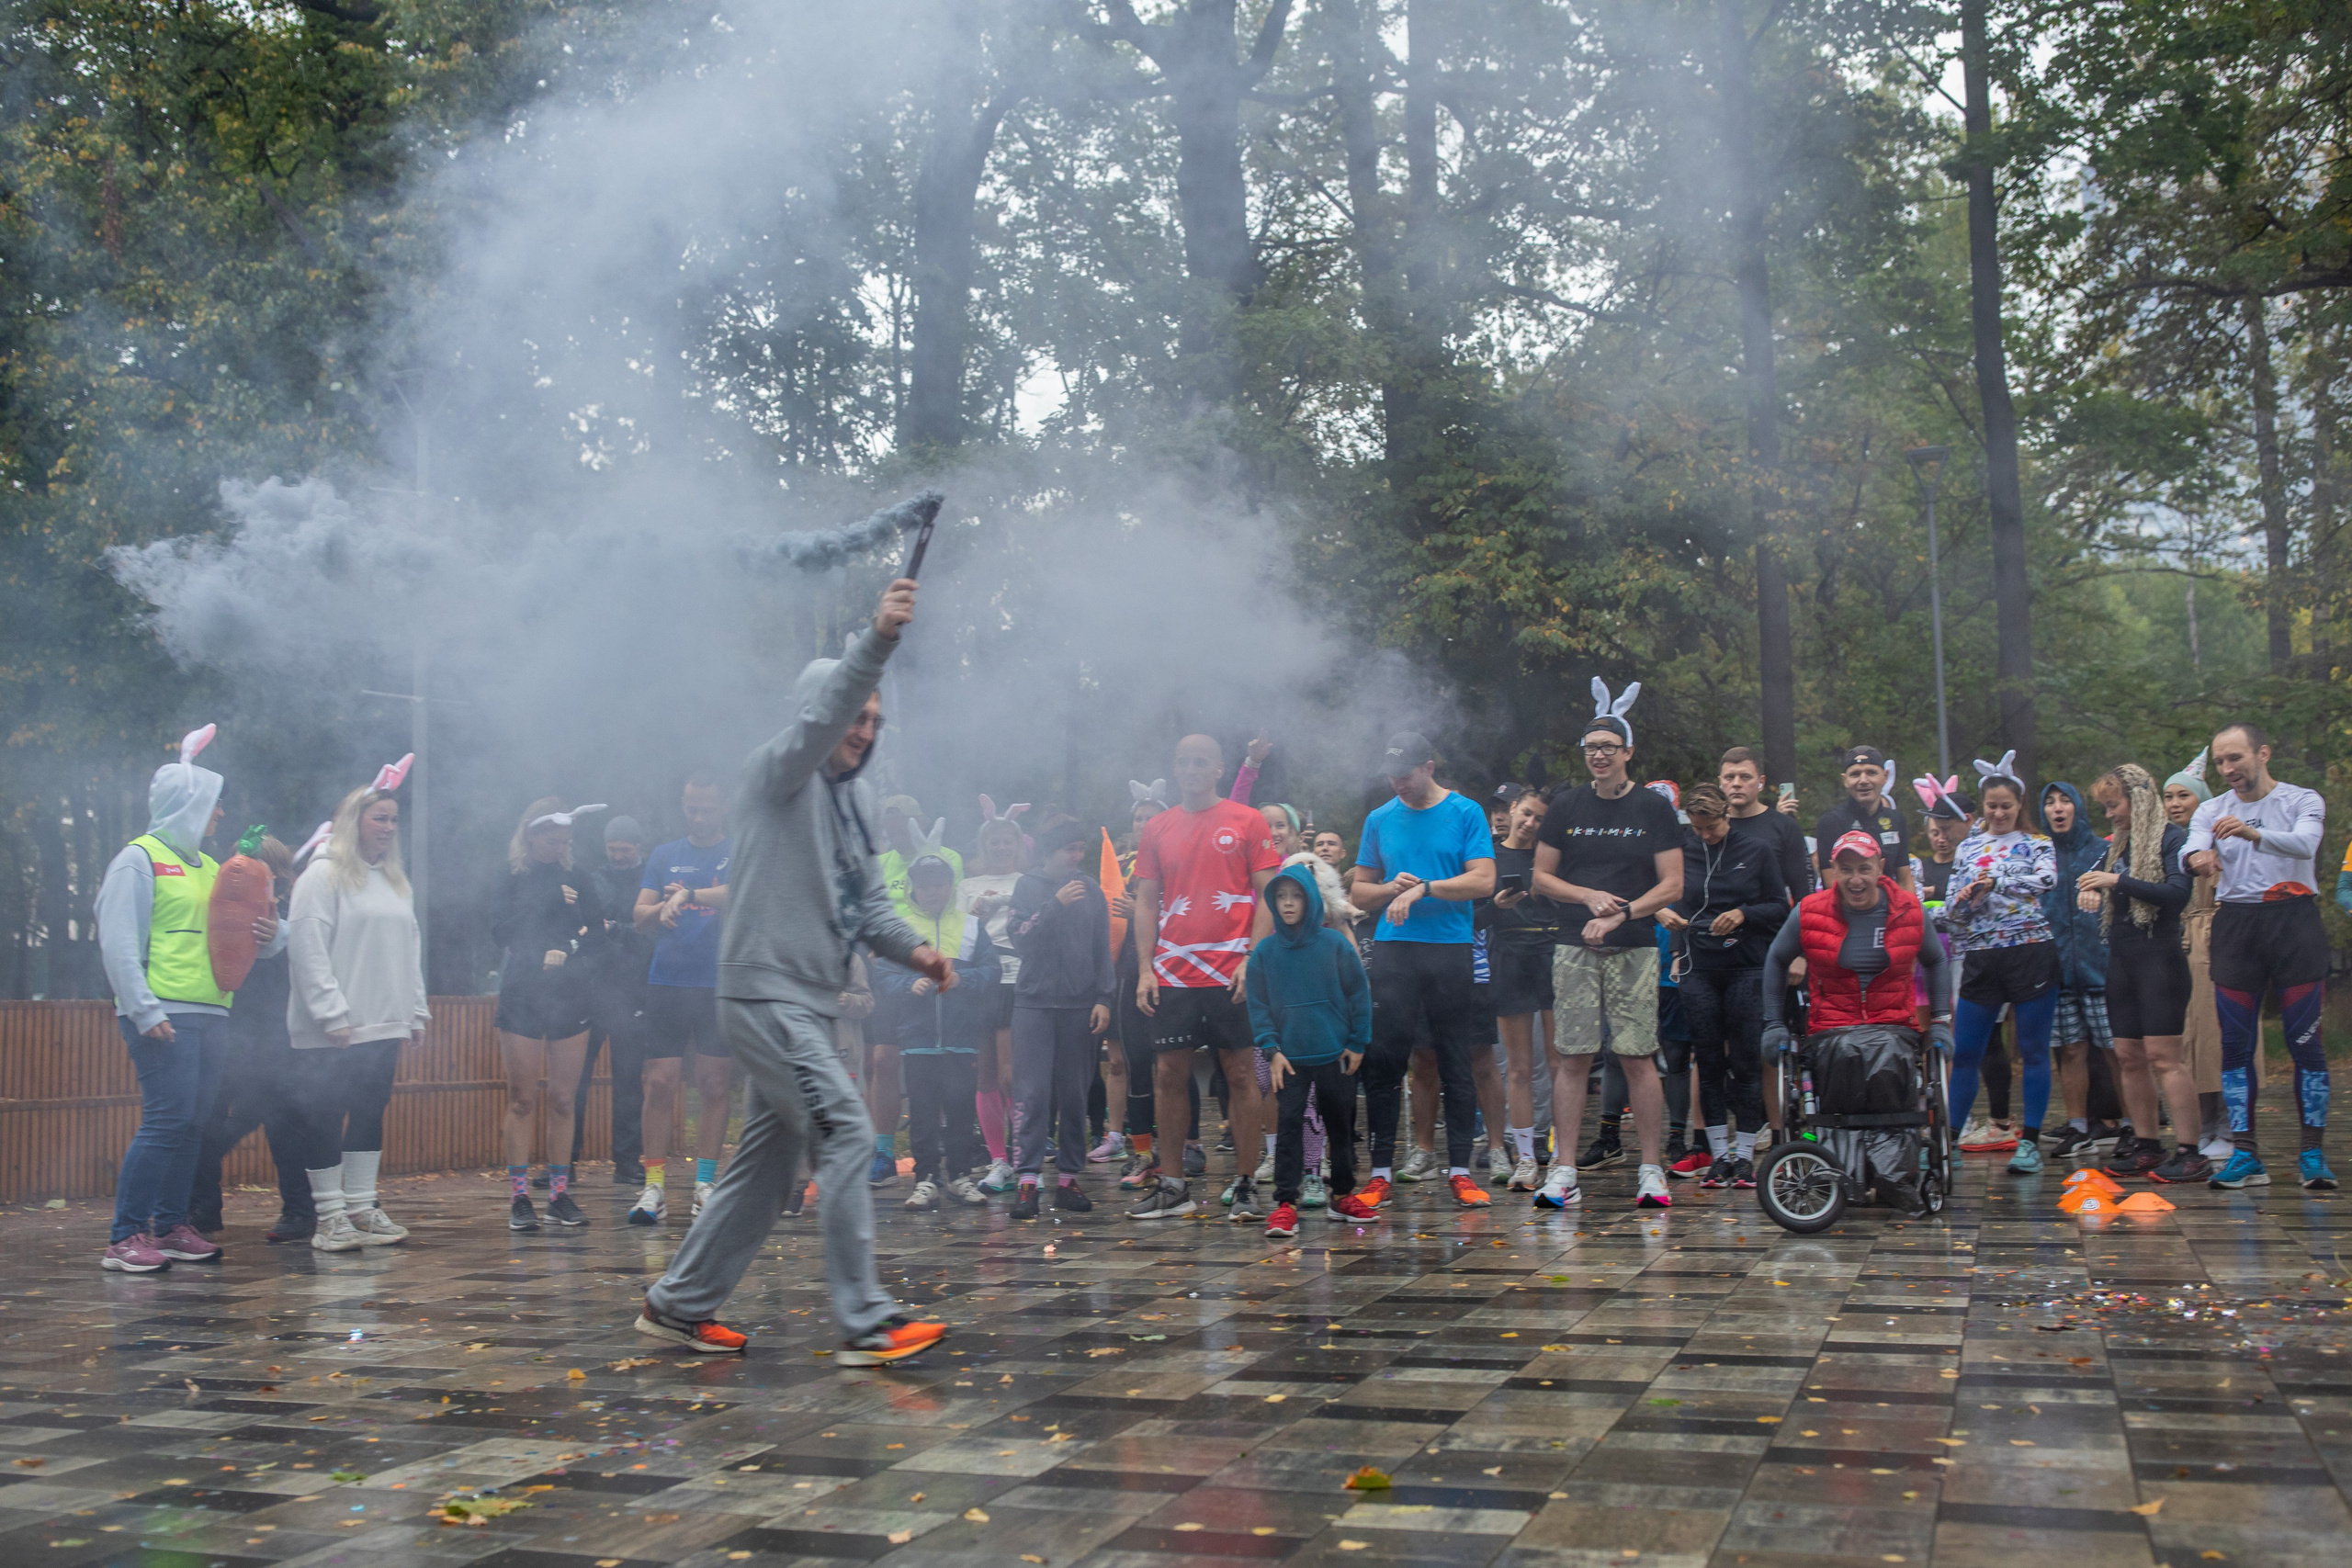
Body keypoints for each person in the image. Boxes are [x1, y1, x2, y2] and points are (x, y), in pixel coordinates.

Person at [633, 575, 949, 1364]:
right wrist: (876, 639)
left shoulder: (860, 802)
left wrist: (914, 949)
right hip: (762, 990)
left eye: (876, 720)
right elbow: (815, 723)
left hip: (807, 1003)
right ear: (825, 710)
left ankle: (678, 1304)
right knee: (846, 1131)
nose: (863, 727)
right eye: (854, 712)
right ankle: (865, 1321)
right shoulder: (776, 772)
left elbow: (870, 905)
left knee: (769, 1169)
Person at [94, 726, 285, 1272]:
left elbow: (251, 935)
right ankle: (124, 1235)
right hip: (163, 1015)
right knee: (166, 1120)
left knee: (193, 1123)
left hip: (211, 1012)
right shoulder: (138, 859)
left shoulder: (214, 869)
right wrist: (143, 1007)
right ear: (185, 804)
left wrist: (276, 937)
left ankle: (173, 1224)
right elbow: (118, 942)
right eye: (210, 803)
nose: (220, 814)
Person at [1530, 682, 1683, 1211]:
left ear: (1627, 753)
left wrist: (1621, 913)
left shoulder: (1654, 808)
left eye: (1608, 748)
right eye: (1591, 748)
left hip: (1636, 946)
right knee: (1572, 1057)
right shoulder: (1566, 805)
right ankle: (1564, 1171)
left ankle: (1650, 1169)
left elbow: (1672, 885)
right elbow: (1542, 878)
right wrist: (1588, 896)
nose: (1598, 756)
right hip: (1573, 944)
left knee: (1638, 1056)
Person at [1126, 736, 1281, 1221]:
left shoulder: (1247, 820)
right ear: (1174, 768)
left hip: (1232, 968)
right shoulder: (1157, 826)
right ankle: (1173, 1187)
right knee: (1169, 1074)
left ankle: (1246, 1185)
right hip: (1173, 971)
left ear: (1218, 769)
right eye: (1183, 762)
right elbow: (1147, 902)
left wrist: (1251, 958)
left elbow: (1270, 893)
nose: (1190, 769)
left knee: (1239, 1074)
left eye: (1200, 762)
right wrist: (1145, 968)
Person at [1349, 734, 1500, 1212]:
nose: (1398, 783)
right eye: (1392, 776)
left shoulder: (1466, 812)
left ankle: (1459, 1170)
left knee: (1456, 1058)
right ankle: (1379, 1173)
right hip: (1395, 953)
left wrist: (1426, 889)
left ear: (1429, 767)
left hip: (1449, 950)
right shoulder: (1380, 818)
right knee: (1386, 1062)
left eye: (1406, 774)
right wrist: (1392, 886)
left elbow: (1484, 880)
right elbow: (1357, 893)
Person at [1761, 831, 1953, 1209]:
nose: (1855, 879)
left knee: (1885, 1057)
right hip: (1833, 1026)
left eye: (1864, 869)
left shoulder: (1909, 909)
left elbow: (1936, 960)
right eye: (1845, 870)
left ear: (1881, 868)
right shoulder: (1810, 910)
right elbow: (1776, 959)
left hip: (1893, 1024)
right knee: (1846, 1054)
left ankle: (1892, 1174)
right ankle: (1846, 1172)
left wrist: (1942, 1019)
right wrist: (1773, 1023)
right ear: (1832, 871)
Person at [2184, 722, 2333, 1190]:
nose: (2228, 769)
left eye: (2236, 758)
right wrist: (2197, 860)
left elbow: (2306, 843)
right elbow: (2191, 846)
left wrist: (2251, 833)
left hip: (2294, 922)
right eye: (2221, 761)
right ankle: (2246, 1155)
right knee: (2234, 1045)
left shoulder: (2301, 800)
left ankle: (2312, 1153)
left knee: (2304, 1041)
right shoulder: (2211, 808)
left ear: (2262, 754)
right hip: (2237, 926)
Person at [287, 776, 432, 1250]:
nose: (389, 827)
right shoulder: (320, 876)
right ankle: (329, 1218)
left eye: (394, 819)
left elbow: (409, 950)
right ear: (354, 822)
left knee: (371, 1112)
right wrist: (332, 1014)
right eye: (379, 818)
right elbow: (307, 949)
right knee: (326, 1116)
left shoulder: (394, 881)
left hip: (383, 1023)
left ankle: (362, 1208)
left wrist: (415, 1011)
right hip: (334, 1029)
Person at [1659, 782, 1788, 1189]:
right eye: (1697, 829)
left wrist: (1743, 914)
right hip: (1699, 965)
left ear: (1726, 818)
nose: (1704, 836)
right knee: (1709, 1060)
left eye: (1711, 828)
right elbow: (1670, 898)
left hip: (1745, 965)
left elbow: (1780, 908)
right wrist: (1673, 932)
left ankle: (1746, 1155)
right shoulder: (1685, 849)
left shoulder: (1756, 851)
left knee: (1746, 1061)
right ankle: (1717, 1155)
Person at [2075, 764, 2198, 1179]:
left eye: (2115, 805)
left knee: (2165, 1058)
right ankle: (2147, 1145)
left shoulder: (2172, 838)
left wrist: (2116, 881)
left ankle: (2190, 1151)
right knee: (2128, 1056)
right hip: (2122, 959)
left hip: (2159, 958)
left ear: (2139, 799)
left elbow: (2177, 894)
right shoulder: (2116, 846)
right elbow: (2092, 877)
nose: (2110, 814)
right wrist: (2091, 889)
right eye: (2106, 807)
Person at [1941, 754, 2060, 1174]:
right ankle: (1949, 1141)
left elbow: (2046, 881)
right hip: (1982, 955)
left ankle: (2027, 1142)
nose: (1998, 813)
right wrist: (1958, 905)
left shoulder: (2038, 843)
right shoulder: (1969, 847)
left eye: (2006, 805)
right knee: (1967, 1049)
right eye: (1991, 806)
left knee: (2031, 1050)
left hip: (2031, 952)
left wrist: (1997, 882)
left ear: (2018, 805)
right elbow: (1956, 908)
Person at [492, 799, 607, 1230]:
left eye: (565, 841)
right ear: (530, 835)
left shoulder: (577, 877)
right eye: (550, 840)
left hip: (570, 995)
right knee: (522, 1098)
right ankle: (519, 1197)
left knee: (563, 1098)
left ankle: (560, 1195)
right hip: (522, 992)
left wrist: (573, 948)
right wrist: (547, 899)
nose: (558, 848)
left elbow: (598, 932)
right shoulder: (511, 877)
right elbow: (500, 929)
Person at [1248, 863, 1378, 1235]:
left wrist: (1357, 1043)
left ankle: (1342, 1195)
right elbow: (1257, 1006)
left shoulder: (1335, 944)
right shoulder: (1264, 953)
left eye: (1297, 896)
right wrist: (1271, 1050)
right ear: (1272, 903)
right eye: (1281, 897)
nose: (1288, 904)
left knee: (1340, 1125)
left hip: (1335, 1054)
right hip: (1288, 1060)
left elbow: (1358, 994)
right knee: (1288, 1127)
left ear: (1311, 900)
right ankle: (1286, 1203)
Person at [190, 833, 308, 1243]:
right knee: (211, 1116)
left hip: (275, 1032)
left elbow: (298, 948)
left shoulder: (293, 912)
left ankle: (299, 1210)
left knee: (280, 1120)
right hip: (228, 1026)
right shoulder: (223, 907)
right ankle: (202, 1210)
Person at [630, 774, 735, 1222]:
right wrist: (663, 908)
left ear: (723, 806)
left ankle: (705, 1184)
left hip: (719, 983)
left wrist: (690, 894)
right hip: (667, 982)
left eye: (707, 808)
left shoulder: (738, 851)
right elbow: (639, 916)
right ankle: (653, 1188)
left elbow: (742, 896)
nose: (698, 816)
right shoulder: (664, 855)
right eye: (691, 808)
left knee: (714, 1084)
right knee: (659, 1083)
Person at [1006, 819, 1114, 1218]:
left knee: (1074, 1094)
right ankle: (1028, 1180)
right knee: (1032, 1094)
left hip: (1079, 1004)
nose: (1076, 856)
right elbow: (1019, 937)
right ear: (1049, 852)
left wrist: (1105, 997)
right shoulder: (1027, 886)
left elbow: (1103, 946)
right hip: (1033, 1003)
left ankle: (1069, 1179)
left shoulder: (1092, 890)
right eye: (1069, 849)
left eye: (1080, 848)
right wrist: (1055, 905)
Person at [880, 852, 997, 1210]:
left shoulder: (972, 927)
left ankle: (960, 1176)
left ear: (950, 886)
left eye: (939, 883)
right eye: (925, 884)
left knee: (961, 1107)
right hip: (918, 1038)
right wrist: (907, 985)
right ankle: (926, 1178)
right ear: (914, 887)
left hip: (961, 1038)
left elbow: (992, 972)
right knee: (924, 1109)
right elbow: (882, 975)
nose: (932, 890)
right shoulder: (899, 929)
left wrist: (964, 978)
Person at [1916, 778, 2013, 1152]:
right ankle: (1953, 1120)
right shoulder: (1928, 865)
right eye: (1934, 828)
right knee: (1956, 1041)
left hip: (1986, 954)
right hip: (1946, 962)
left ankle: (2001, 1121)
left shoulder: (1986, 853)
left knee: (1990, 1038)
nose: (1940, 834)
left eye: (1947, 825)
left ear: (1969, 820)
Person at [1482, 786, 1559, 1190]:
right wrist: (1496, 906)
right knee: (1519, 1067)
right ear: (1512, 810)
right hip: (1509, 957)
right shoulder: (1489, 857)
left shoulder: (1552, 856)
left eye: (1539, 819)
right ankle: (1525, 1158)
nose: (1530, 824)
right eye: (1526, 814)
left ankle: (1561, 1156)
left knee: (1562, 1064)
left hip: (1551, 954)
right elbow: (1473, 918)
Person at [2041, 781, 2118, 1160]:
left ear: (2078, 808)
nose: (2057, 809)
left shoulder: (2103, 850)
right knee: (2071, 1051)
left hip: (2101, 969)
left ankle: (2134, 1127)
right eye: (2050, 803)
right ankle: (2078, 1127)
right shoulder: (2040, 855)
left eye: (2065, 801)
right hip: (2058, 973)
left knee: (2116, 1051)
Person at [2163, 750, 2231, 1161]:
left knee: (2215, 1037)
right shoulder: (2169, 844)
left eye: (2182, 796)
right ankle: (2202, 1124)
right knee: (2183, 1041)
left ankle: (2227, 1124)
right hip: (2175, 946)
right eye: (2168, 796)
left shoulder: (2216, 841)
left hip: (2212, 943)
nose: (2174, 804)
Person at [959, 808, 1026, 1192]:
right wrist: (973, 913)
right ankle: (998, 1160)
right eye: (994, 841)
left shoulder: (1029, 882)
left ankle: (1024, 1157)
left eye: (1007, 840)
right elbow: (959, 933)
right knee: (985, 1073)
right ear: (984, 846)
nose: (1001, 847)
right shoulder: (968, 884)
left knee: (1011, 1075)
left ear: (1019, 845)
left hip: (1018, 980)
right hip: (981, 980)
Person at [587, 817, 652, 1186]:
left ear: (637, 849)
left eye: (625, 850)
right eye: (613, 850)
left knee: (628, 1081)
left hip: (632, 992)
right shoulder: (594, 879)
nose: (618, 857)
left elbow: (650, 935)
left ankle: (627, 1164)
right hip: (592, 990)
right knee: (575, 1080)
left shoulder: (650, 882)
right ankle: (564, 1165)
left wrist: (617, 929)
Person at [1814, 745, 1916, 896]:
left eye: (1871, 773)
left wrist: (1910, 913)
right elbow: (1831, 884)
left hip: (1889, 910)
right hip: (1848, 911)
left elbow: (1905, 880)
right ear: (1845, 780)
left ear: (1885, 777)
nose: (1863, 780)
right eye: (1855, 774)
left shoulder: (1896, 820)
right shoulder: (1830, 822)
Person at [1720, 747, 1811, 900]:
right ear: (1720, 782)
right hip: (1718, 920)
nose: (1736, 784)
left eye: (1745, 777)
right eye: (1729, 777)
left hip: (1773, 921)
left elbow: (1803, 890)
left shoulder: (1785, 826)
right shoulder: (1708, 828)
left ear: (1760, 782)